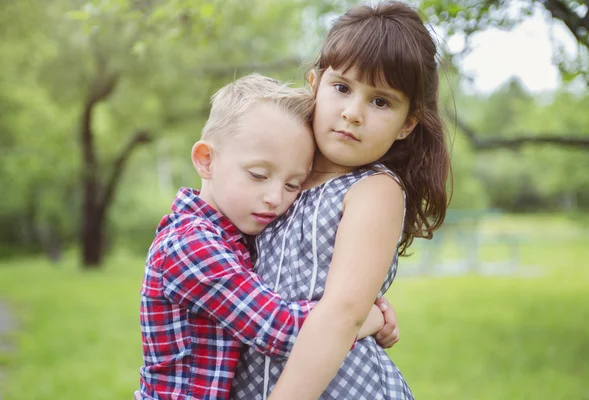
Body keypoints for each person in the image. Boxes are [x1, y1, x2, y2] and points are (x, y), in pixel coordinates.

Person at [232, 2, 451, 399]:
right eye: (343, 88)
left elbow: (340, 315)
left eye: (380, 101)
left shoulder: (374, 191)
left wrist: (361, 315)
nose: (352, 113)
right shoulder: (278, 175)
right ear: (315, 83)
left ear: (407, 124)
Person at [135, 74, 399, 400]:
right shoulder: (190, 246)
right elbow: (279, 329)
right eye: (258, 175)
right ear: (206, 160)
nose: (275, 197)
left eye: (292, 185)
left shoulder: (240, 234)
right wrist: (365, 317)